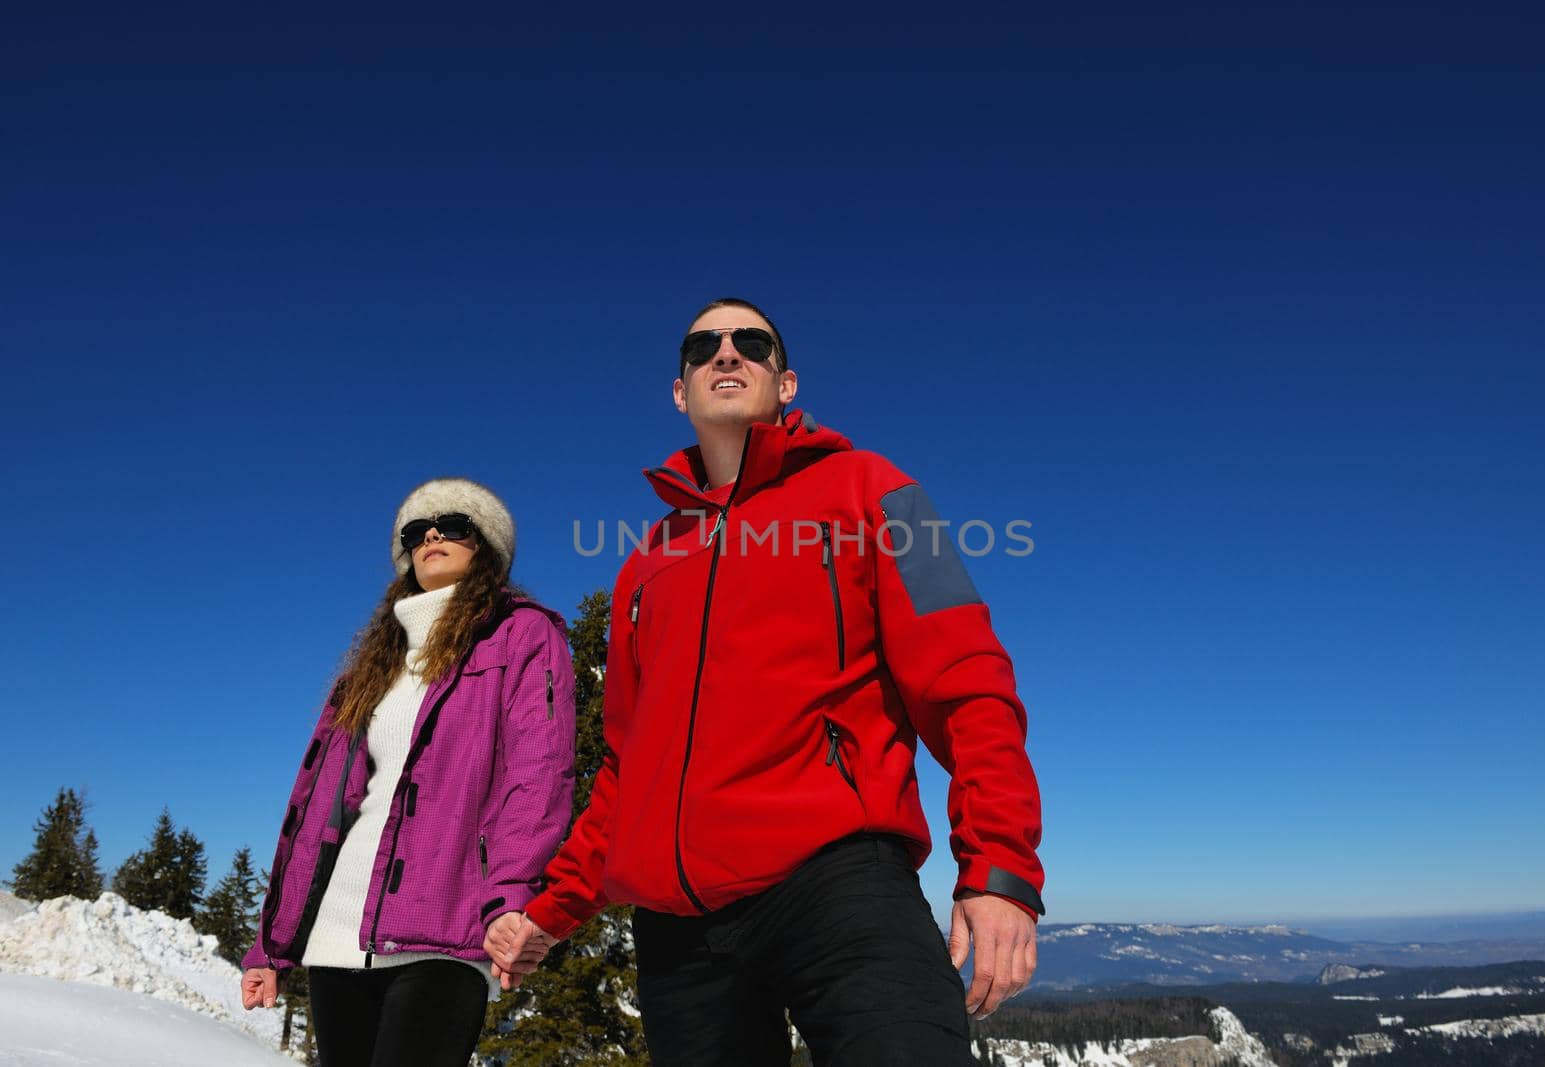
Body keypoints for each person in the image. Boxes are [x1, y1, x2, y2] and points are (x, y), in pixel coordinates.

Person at [487, 299, 1045, 1065]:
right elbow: (625, 769)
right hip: (679, 938)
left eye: (751, 343)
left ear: (785, 383)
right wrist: (550, 913)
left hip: (839, 887)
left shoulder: (882, 491)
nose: (726, 353)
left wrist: (999, 866)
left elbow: (970, 679)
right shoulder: (644, 565)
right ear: (679, 391)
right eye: (702, 346)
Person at [241, 478, 576, 1067]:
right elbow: (316, 808)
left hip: (444, 926)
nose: (432, 538)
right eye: (416, 532)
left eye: (453, 526)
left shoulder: (522, 635)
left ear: (487, 548)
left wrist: (510, 897)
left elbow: (539, 776)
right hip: (338, 935)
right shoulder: (372, 667)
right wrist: (275, 943)